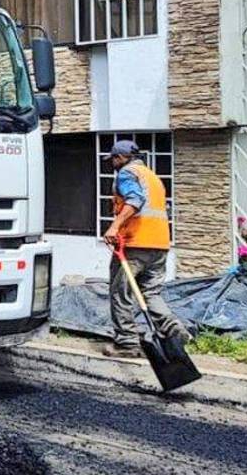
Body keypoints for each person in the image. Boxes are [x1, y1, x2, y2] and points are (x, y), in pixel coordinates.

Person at [102, 141, 191, 358]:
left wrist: (114, 226)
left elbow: (135, 200)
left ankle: (127, 343)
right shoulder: (152, 177)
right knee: (150, 292)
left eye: (113, 159)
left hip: (134, 245)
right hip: (159, 244)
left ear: (121, 157)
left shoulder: (126, 173)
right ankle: (173, 330)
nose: (112, 163)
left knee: (120, 293)